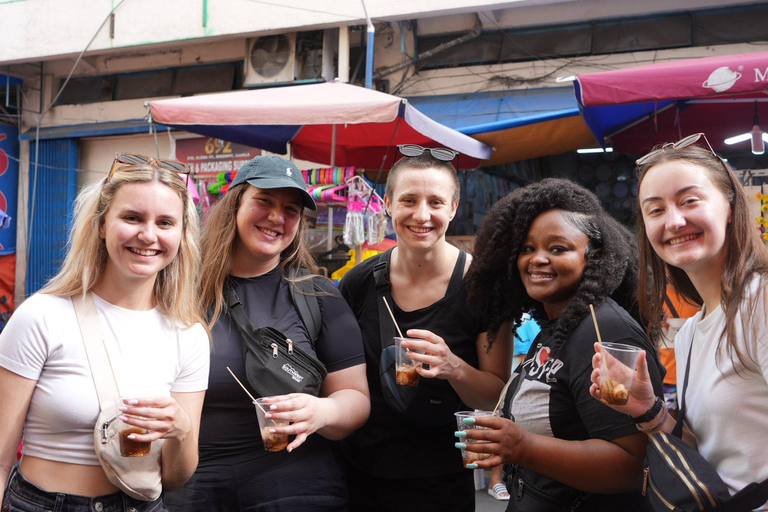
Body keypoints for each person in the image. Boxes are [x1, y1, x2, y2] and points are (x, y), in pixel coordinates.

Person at [0, 154, 210, 511]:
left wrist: (182, 430)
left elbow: (174, 478)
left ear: (181, 235)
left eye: (165, 222)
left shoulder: (189, 335)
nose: (148, 235)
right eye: (132, 217)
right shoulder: (42, 316)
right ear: (101, 224)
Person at [164, 155, 370, 511]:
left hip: (295, 484)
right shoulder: (177, 290)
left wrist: (322, 411)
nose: (277, 217)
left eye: (291, 209)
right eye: (265, 201)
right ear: (235, 205)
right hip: (191, 487)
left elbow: (356, 398)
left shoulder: (317, 295)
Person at [589, 133, 768, 510]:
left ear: (730, 206)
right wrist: (647, 410)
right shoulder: (689, 332)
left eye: (689, 201)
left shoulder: (760, 300)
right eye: (655, 210)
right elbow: (703, 453)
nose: (674, 221)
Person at [463, 178, 664, 511]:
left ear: (593, 254)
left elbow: (633, 466)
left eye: (557, 248)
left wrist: (523, 447)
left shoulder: (605, 331)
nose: (537, 259)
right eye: (527, 248)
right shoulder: (556, 324)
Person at [338, 146, 511, 512]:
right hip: (358, 472)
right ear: (387, 203)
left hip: (440, 480)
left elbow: (494, 395)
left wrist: (454, 367)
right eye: (409, 200)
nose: (422, 215)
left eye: (435, 202)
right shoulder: (358, 283)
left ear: (453, 208)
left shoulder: (484, 288)